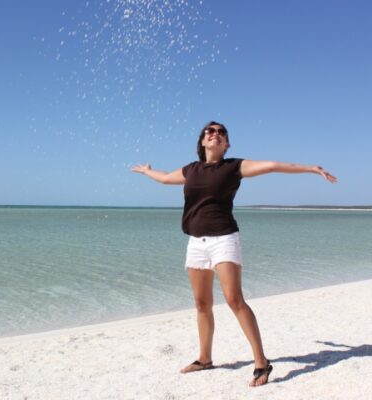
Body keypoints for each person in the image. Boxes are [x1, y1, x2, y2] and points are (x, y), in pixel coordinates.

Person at [131, 121, 337, 387]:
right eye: (210, 131)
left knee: (234, 300)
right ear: (203, 141)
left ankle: (261, 362)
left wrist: (311, 169)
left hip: (224, 239)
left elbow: (273, 165)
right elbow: (165, 178)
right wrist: (148, 171)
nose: (215, 134)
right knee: (202, 304)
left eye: (221, 133)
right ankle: (205, 358)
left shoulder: (234, 167)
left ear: (226, 143)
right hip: (196, 242)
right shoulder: (190, 170)